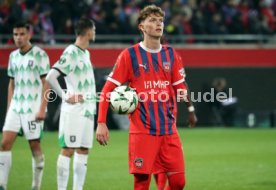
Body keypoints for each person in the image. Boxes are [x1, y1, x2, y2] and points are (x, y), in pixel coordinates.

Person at [96, 5, 196, 190]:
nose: (158, 24)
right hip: (142, 132)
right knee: (141, 184)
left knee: (178, 182)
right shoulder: (129, 55)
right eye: (152, 20)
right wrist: (101, 122)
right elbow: (107, 90)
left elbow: (180, 85)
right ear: (141, 27)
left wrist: (188, 104)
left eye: (160, 21)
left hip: (168, 130)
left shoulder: (171, 54)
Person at [46, 18, 97, 190]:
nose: (95, 33)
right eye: (94, 30)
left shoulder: (85, 53)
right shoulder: (71, 52)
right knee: (68, 149)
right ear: (89, 31)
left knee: (83, 150)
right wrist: (65, 95)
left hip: (88, 110)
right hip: (74, 110)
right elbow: (51, 76)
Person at [0, 21, 50, 190]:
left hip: (33, 107)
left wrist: (43, 108)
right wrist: (9, 109)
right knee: (4, 144)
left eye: (22, 34)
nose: (18, 38)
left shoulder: (40, 55)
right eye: (15, 34)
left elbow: (47, 83)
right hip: (16, 106)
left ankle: (36, 186)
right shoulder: (13, 56)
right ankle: (2, 185)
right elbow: (11, 84)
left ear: (29, 35)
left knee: (34, 145)